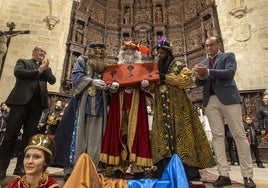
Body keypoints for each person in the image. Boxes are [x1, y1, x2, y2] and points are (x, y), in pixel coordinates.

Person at [193, 36, 256, 188]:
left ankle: (247, 175)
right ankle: (223, 174)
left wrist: (207, 72)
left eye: (211, 45)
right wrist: (199, 74)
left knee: (239, 135)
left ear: (218, 44)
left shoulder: (228, 56)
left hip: (229, 99)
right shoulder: (203, 62)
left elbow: (229, 73)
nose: (208, 48)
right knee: (217, 137)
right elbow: (197, 82)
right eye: (206, 46)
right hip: (210, 101)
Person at [150, 36, 215, 182]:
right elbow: (153, 87)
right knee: (162, 136)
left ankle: (186, 169)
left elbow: (187, 81)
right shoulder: (156, 67)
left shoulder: (179, 65)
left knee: (182, 134)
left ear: (168, 53)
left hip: (179, 107)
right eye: (158, 53)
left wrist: (166, 78)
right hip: (161, 107)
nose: (159, 55)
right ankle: (163, 168)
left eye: (162, 53)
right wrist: (147, 84)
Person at [53, 41, 109, 180]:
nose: (98, 51)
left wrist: (110, 87)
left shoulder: (106, 66)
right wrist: (91, 81)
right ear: (90, 50)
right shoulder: (82, 60)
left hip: (100, 103)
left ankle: (94, 167)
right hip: (82, 102)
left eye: (101, 49)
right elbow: (76, 76)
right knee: (78, 133)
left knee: (97, 135)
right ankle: (75, 167)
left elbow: (110, 79)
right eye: (95, 48)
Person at [0, 45, 56, 180]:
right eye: (40, 51)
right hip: (21, 103)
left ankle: (20, 168)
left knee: (28, 139)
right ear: (34, 52)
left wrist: (45, 69)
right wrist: (39, 71)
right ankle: (1, 168)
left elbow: (52, 80)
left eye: (44, 52)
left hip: (37, 106)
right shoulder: (23, 62)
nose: (43, 53)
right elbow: (18, 73)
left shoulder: (46, 68)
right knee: (10, 136)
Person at [99, 41, 153, 178]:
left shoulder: (142, 68)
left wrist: (145, 85)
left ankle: (137, 166)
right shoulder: (115, 68)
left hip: (136, 102)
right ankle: (118, 165)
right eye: (127, 51)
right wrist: (111, 88)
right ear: (123, 54)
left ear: (136, 54)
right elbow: (108, 82)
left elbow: (149, 84)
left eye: (132, 52)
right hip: (119, 103)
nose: (129, 54)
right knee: (119, 132)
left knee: (137, 133)